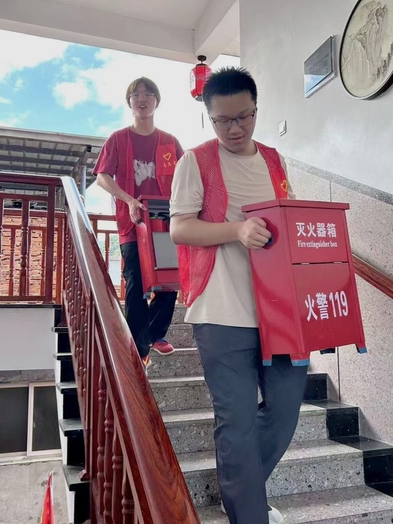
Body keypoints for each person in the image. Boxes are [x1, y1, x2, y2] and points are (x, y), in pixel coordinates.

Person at [169, 67, 307, 524]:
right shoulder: (196, 161)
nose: (234, 128)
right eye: (223, 120)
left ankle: (242, 486)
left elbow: (290, 218)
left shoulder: (274, 160)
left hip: (280, 311)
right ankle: (248, 513)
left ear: (256, 109)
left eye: (244, 116)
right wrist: (237, 230)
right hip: (221, 309)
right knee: (237, 419)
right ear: (209, 117)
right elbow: (179, 227)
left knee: (285, 412)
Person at [93, 76, 183, 371]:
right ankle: (139, 348)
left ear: (157, 101)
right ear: (129, 102)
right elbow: (102, 176)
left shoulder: (170, 142)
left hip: (165, 223)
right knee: (135, 284)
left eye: (148, 94)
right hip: (132, 223)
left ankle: (155, 335)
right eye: (136, 95)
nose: (142, 99)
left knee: (169, 282)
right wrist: (128, 200)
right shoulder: (118, 139)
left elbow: (187, 178)